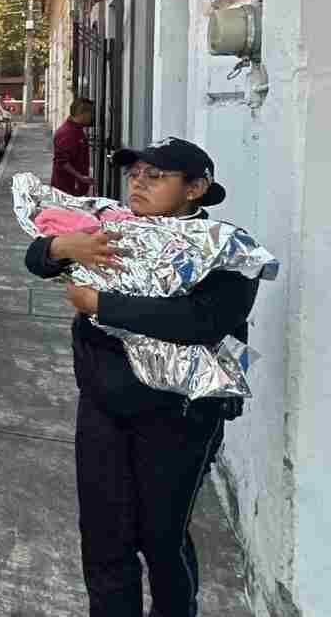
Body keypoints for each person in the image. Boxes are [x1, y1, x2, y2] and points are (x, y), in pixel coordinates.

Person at [24, 138, 259, 617]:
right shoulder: (113, 228)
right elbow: (36, 258)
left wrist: (101, 305)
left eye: (156, 175)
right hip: (103, 408)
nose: (138, 182)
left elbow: (204, 320)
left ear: (196, 188)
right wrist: (61, 245)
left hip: (177, 417)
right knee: (104, 536)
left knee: (160, 537)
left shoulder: (222, 248)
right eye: (135, 173)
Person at [52, 96, 96, 195]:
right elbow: (62, 162)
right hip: (67, 190)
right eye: (91, 113)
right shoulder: (67, 133)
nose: (92, 116)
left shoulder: (76, 130)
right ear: (82, 113)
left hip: (73, 188)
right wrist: (80, 177)